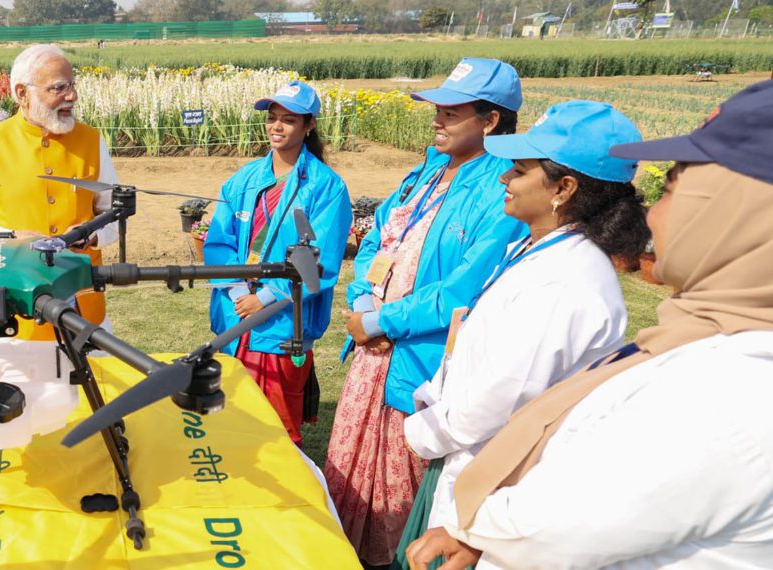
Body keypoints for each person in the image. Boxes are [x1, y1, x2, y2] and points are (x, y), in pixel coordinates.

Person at [405, 80, 773, 569]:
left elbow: (566, 523)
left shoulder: (730, 389)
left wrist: (476, 525)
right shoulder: (698, 336)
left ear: (734, 218)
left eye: (672, 188)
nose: (654, 213)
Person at [394, 101, 650, 567]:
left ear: (563, 188)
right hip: (472, 465)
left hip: (494, 481)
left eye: (519, 169)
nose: (502, 179)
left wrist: (421, 433)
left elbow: (501, 396)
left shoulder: (565, 281)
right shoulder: (539, 252)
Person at [324, 57, 527, 568]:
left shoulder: (503, 188)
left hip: (419, 360)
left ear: (491, 120)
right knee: (351, 475)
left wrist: (381, 322)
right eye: (436, 110)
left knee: (401, 491)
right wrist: (364, 299)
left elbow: (465, 286)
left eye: (451, 112)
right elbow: (376, 238)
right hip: (375, 351)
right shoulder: (428, 170)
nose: (436, 121)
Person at [204, 80, 352, 447]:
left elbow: (320, 261)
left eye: (288, 119)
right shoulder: (244, 178)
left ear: (309, 125)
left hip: (282, 326)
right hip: (235, 317)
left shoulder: (326, 187)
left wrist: (266, 299)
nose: (277, 127)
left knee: (276, 432)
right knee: (230, 421)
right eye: (272, 118)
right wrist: (239, 291)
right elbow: (218, 241)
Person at [0, 44, 119, 341]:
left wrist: (93, 234)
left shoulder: (91, 140)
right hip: (10, 315)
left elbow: (115, 214)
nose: (72, 96)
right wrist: (12, 238)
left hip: (85, 312)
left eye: (72, 85)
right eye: (58, 87)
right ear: (21, 93)